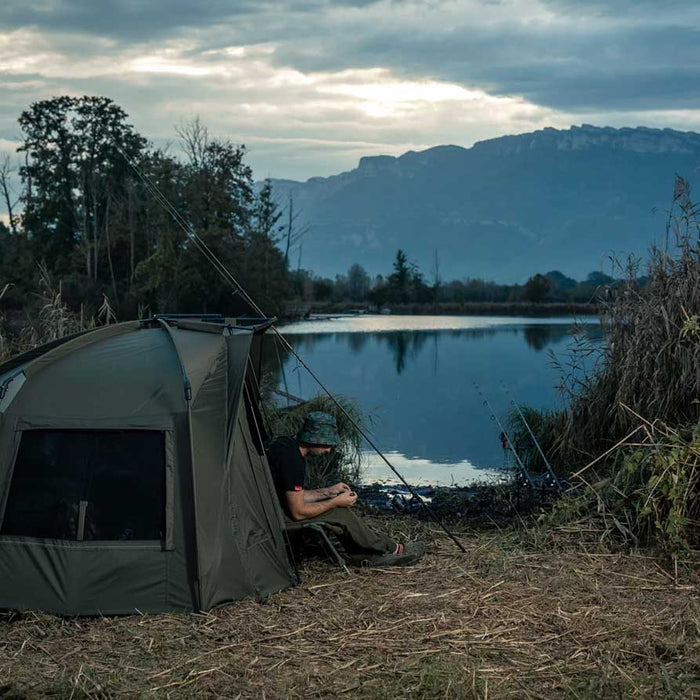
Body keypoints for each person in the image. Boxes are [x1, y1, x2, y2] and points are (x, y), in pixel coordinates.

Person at [265, 411, 425, 567]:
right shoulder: (293, 461)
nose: (328, 451)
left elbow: (293, 495)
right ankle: (394, 549)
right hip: (278, 518)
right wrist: (335, 502)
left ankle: (366, 556)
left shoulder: (284, 445)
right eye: (327, 444)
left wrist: (328, 492)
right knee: (341, 512)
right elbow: (298, 512)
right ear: (315, 438)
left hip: (271, 509)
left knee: (336, 511)